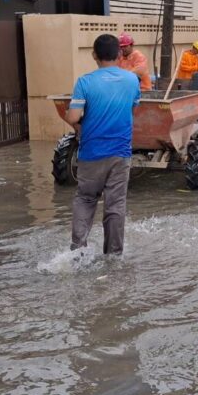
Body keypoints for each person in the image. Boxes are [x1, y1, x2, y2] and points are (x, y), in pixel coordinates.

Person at [64, 34, 141, 255]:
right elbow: (133, 109)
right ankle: (114, 256)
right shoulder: (131, 80)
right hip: (121, 152)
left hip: (91, 152)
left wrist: (75, 121)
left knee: (86, 199)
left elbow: (73, 117)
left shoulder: (85, 82)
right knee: (115, 204)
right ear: (119, 54)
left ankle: (78, 251)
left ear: (94, 55)